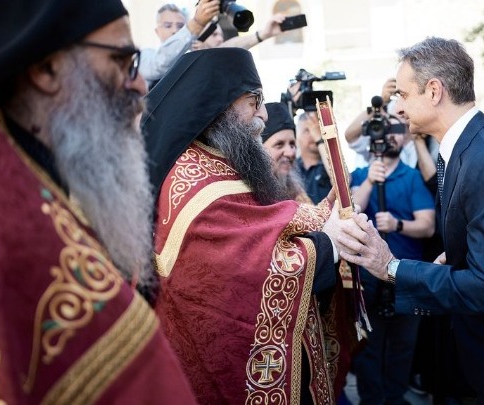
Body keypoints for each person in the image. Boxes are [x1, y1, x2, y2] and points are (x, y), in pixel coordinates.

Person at [334, 37, 484, 404]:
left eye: (404, 94)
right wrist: (458, 257)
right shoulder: (469, 148)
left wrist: (391, 267)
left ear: (434, 91)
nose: (398, 107)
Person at [0, 0, 198, 403]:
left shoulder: (43, 178)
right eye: (122, 62)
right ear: (47, 70)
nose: (140, 86)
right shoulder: (17, 230)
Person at [142, 47, 356, 404]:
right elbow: (251, 266)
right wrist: (330, 241)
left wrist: (327, 213)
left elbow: (264, 227)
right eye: (254, 100)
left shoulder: (217, 162)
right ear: (220, 104)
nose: (263, 115)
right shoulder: (195, 178)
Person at [349, 114, 435, 405]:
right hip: (367, 277)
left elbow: (427, 225)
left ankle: (395, 398)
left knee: (402, 345)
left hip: (406, 274)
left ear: (406, 137)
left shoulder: (411, 177)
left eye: (398, 130)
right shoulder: (359, 175)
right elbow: (349, 212)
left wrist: (398, 225)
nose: (391, 135)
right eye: (385, 129)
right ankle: (371, 400)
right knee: (368, 345)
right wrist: (370, 181)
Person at [140, 1, 220, 84]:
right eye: (168, 26)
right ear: (157, 31)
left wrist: (203, 58)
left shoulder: (193, 55)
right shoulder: (146, 57)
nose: (175, 30)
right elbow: (160, 64)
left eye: (180, 26)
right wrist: (196, 24)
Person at [261, 101, 311, 203]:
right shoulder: (247, 195)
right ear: (259, 150)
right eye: (279, 144)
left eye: (292, 144)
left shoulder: (297, 192)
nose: (290, 153)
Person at [296, 110, 334, 205]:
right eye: (307, 130)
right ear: (297, 137)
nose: (313, 134)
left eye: (316, 129)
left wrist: (320, 140)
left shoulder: (330, 163)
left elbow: (343, 181)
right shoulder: (293, 167)